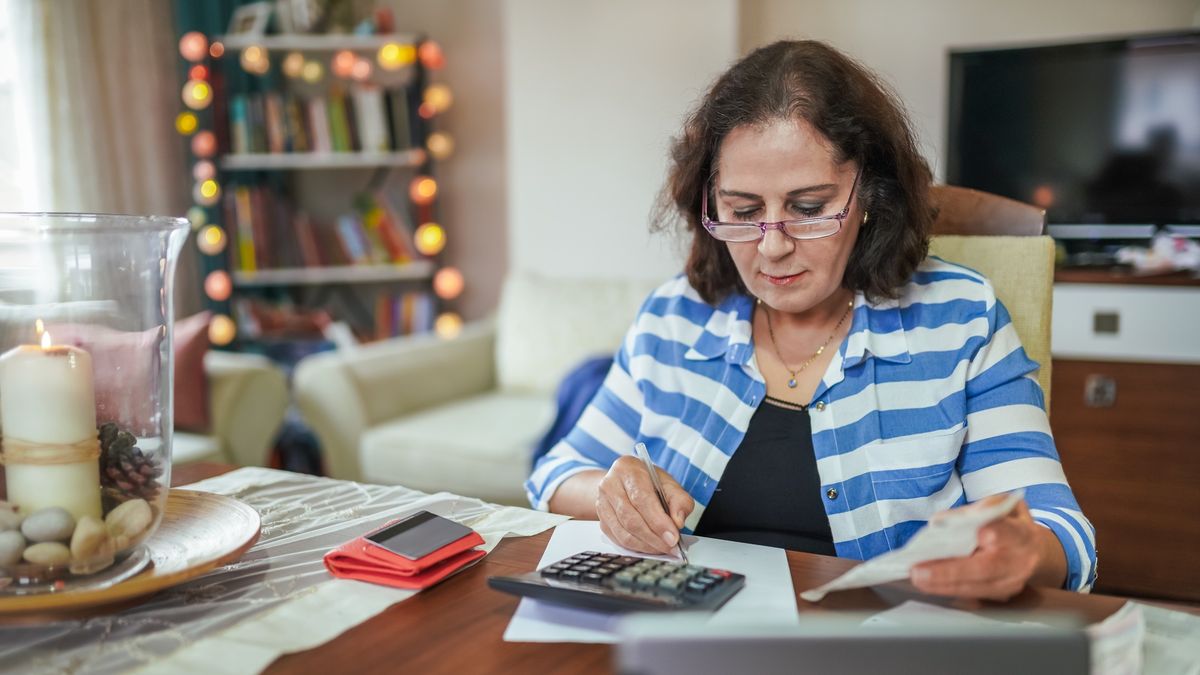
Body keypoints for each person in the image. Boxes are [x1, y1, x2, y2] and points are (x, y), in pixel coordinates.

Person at [525, 40, 1096, 600]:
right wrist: (611, 493)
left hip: (876, 636)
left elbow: (1063, 533)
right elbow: (556, 473)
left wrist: (1023, 551)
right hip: (690, 627)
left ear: (870, 195)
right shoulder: (675, 317)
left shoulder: (961, 318)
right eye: (743, 210)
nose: (772, 247)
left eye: (808, 208)